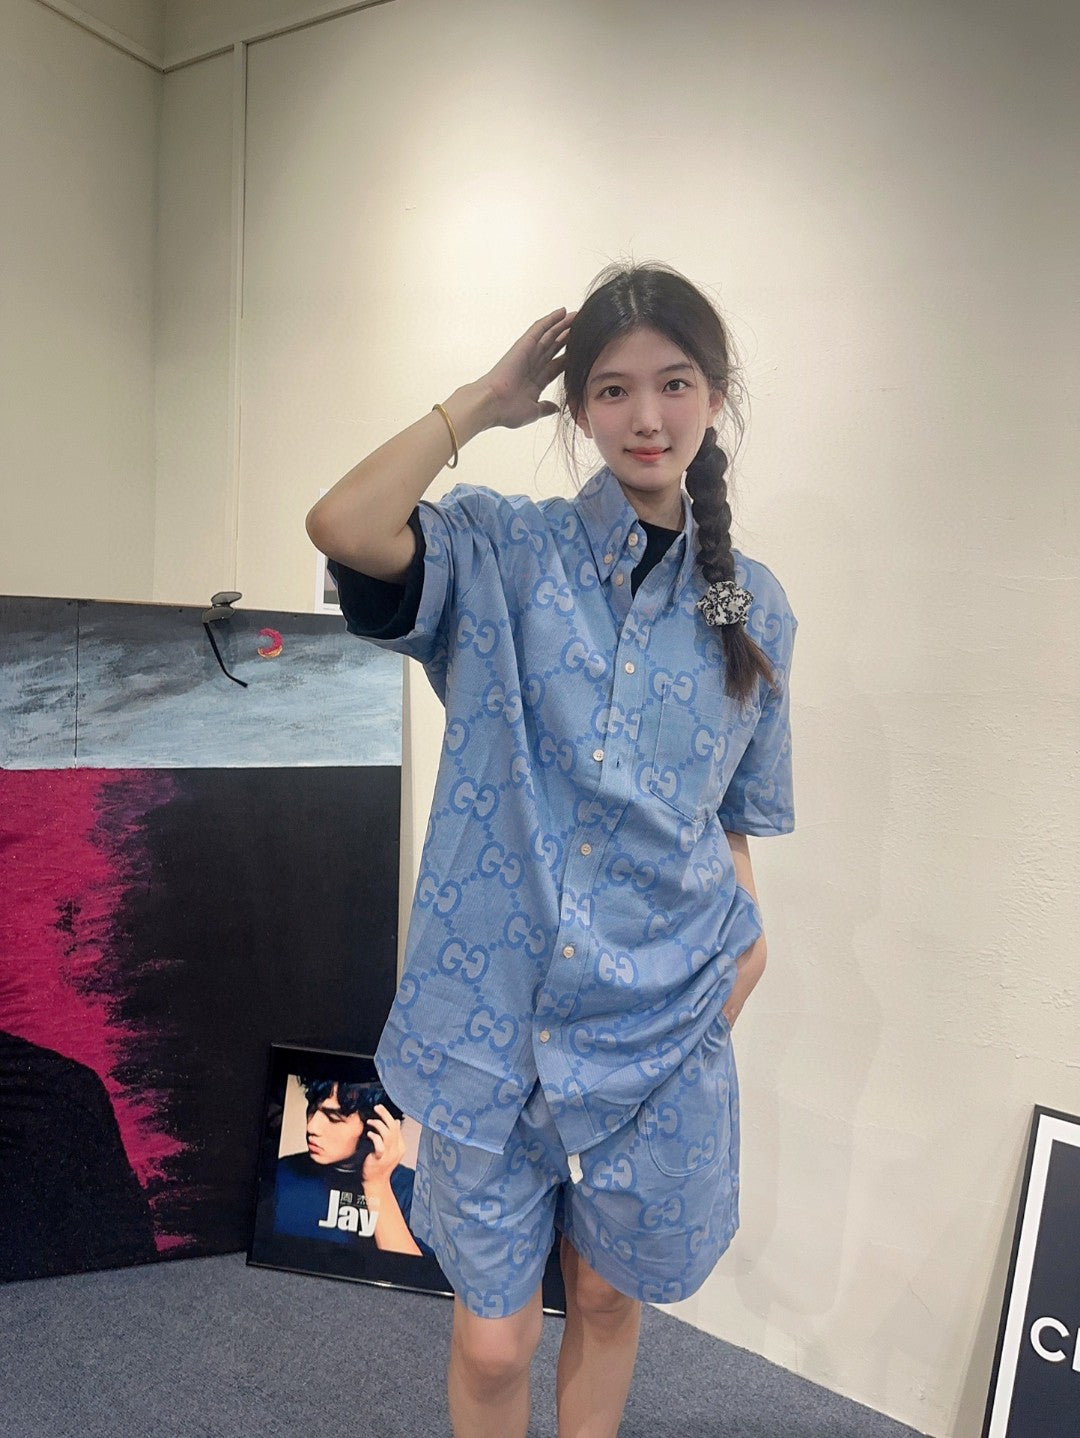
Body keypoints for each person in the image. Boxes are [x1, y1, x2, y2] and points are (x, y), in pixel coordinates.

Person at [305, 263, 796, 1438]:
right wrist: (480, 401)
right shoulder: (503, 553)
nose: (646, 416)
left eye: (675, 383)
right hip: (492, 1021)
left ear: (714, 394)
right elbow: (345, 525)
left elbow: (735, 815)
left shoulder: (755, 605)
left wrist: (748, 952)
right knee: (493, 1337)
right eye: (614, 389)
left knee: (610, 1295)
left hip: (662, 1018)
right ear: (578, 409)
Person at [273, 1076, 424, 1256]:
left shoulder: (412, 1190)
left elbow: (411, 1270)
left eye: (333, 1118)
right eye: (312, 1109)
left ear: (375, 1129)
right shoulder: (282, 1171)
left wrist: (377, 1184)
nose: (312, 1127)